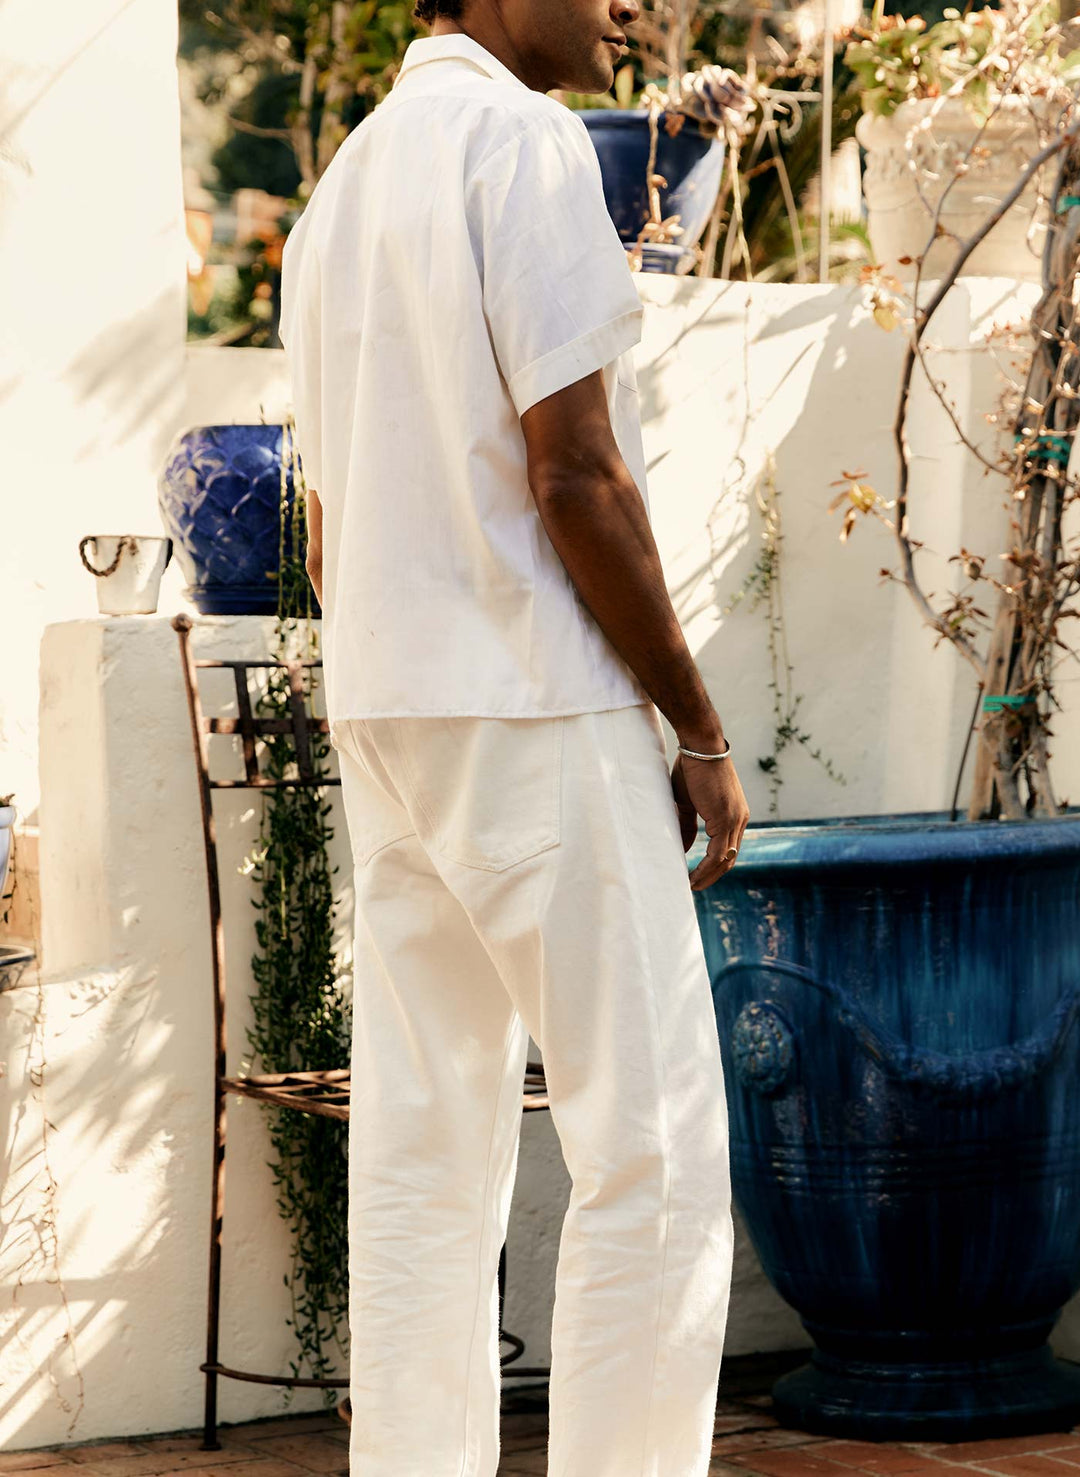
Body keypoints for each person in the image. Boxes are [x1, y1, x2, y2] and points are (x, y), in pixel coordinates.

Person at [278, 1, 750, 1472]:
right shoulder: (526, 143)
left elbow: (319, 526)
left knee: (425, 1154)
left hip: (389, 711)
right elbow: (580, 475)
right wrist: (698, 719)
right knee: (655, 1149)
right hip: (536, 701)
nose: (630, 4)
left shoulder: (341, 190)